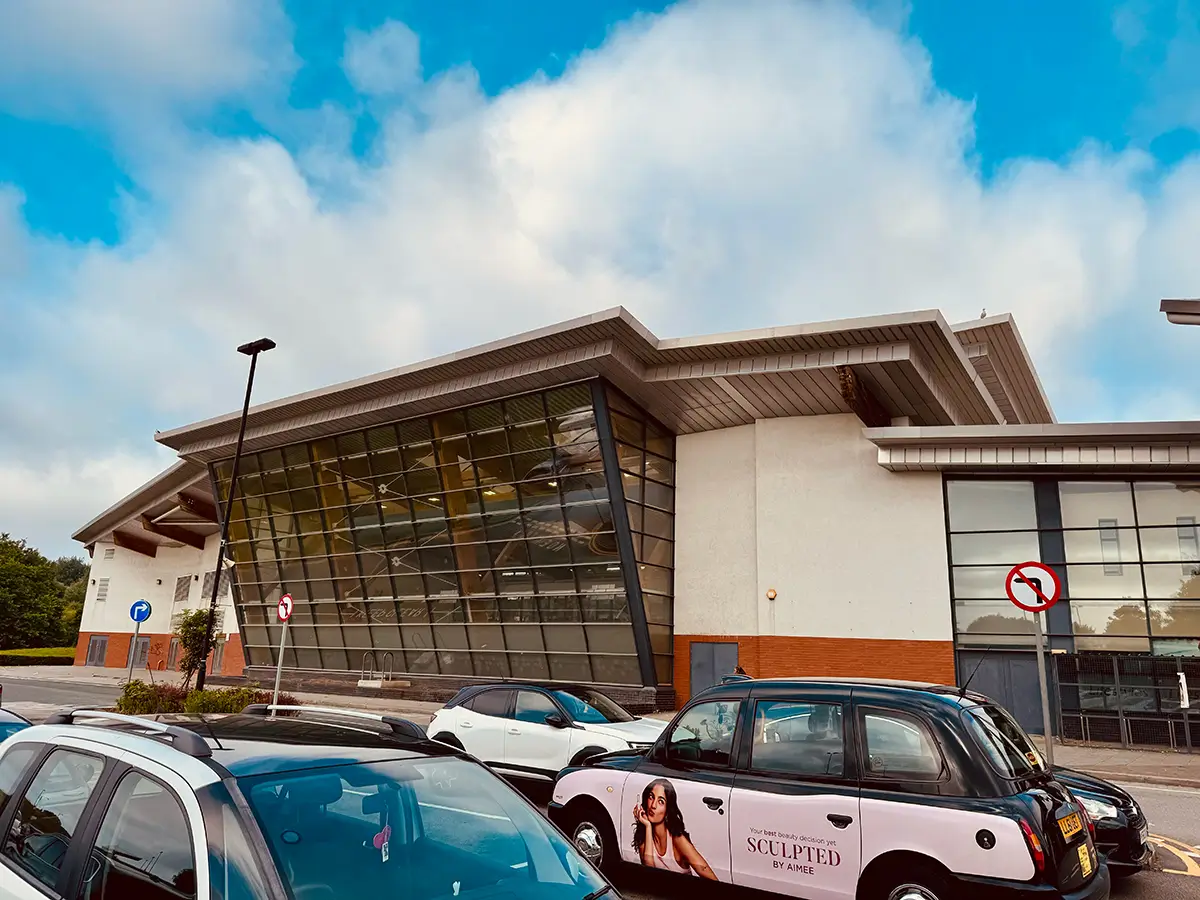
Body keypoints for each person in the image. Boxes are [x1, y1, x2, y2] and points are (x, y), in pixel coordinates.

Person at [631, 779, 717, 880]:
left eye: (661, 801)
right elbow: (648, 870)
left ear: (668, 810)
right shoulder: (644, 833)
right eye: (651, 797)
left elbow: (704, 870)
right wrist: (648, 826)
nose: (653, 805)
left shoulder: (677, 839)